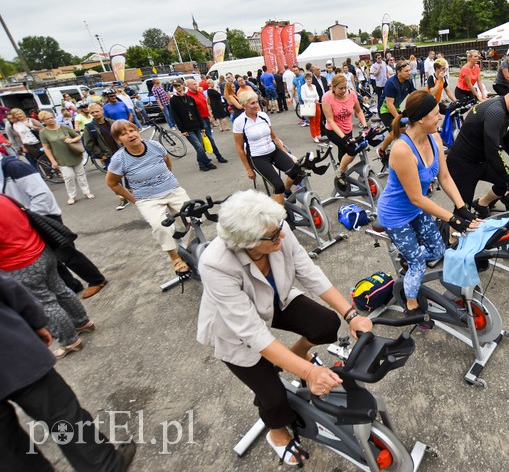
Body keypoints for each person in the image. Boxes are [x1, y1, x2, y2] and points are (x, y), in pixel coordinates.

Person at [196, 189, 372, 466]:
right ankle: (277, 434)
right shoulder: (215, 264)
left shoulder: (276, 228)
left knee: (325, 324)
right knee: (274, 396)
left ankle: (295, 355)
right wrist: (310, 373)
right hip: (235, 329)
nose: (282, 235)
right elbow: (253, 333)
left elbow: (309, 273)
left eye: (280, 228)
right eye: (274, 236)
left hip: (273, 298)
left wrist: (352, 315)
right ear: (246, 242)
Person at [0, 271, 136, 471]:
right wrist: (36, 321)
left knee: (6, 448)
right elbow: (10, 288)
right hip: (13, 354)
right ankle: (104, 466)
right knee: (62, 415)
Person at [377, 91, 478, 314]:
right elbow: (417, 197)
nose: (440, 116)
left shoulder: (434, 137)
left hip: (416, 208)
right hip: (395, 215)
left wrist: (462, 209)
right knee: (418, 264)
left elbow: (445, 177)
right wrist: (453, 219)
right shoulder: (402, 149)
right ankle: (411, 305)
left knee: (437, 250)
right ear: (422, 118)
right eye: (436, 114)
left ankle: (408, 254)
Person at [0, 195, 95, 359]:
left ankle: (70, 341)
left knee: (46, 302)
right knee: (60, 290)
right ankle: (82, 322)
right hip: (41, 250)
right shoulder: (3, 198)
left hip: (20, 263)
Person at [1, 154, 108, 299]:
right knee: (50, 258)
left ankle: (96, 280)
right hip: (27, 221)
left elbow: (41, 195)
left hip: (43, 217)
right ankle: (72, 286)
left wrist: (28, 221)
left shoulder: (14, 167)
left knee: (66, 253)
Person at [105, 120, 194, 274]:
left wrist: (166, 180)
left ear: (138, 130)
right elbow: (112, 183)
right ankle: (175, 258)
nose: (130, 135)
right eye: (124, 134)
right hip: (147, 199)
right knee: (161, 226)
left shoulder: (155, 146)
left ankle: (192, 250)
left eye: (131, 130)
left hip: (172, 190)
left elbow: (167, 163)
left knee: (192, 219)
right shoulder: (119, 159)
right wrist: (134, 200)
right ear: (119, 140)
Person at [446, 83, 509, 218]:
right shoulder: (496, 112)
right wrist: (508, 178)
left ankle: (481, 204)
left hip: (481, 160)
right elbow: (493, 152)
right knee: (463, 211)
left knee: (507, 183)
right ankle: (452, 238)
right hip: (463, 164)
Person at [232, 91, 297, 206]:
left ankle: (286, 192)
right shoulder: (239, 122)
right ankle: (279, 217)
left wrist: (287, 154)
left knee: (296, 173)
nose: (256, 105)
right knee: (278, 185)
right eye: (252, 103)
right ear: (244, 106)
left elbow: (275, 137)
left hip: (273, 151)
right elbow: (240, 148)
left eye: (257, 102)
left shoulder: (263, 116)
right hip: (257, 157)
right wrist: (248, 169)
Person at [37, 111, 94, 205]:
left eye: (52, 117)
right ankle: (72, 196)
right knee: (69, 177)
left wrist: (71, 140)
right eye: (48, 118)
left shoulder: (64, 127)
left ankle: (86, 192)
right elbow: (46, 148)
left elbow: (78, 137)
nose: (51, 119)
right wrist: (52, 161)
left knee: (81, 175)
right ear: (43, 121)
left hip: (74, 154)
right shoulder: (43, 132)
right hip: (60, 157)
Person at [322, 74, 368, 186]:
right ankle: (340, 173)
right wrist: (344, 137)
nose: (343, 91)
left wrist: (365, 126)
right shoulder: (327, 97)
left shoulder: (351, 94)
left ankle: (343, 179)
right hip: (333, 130)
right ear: (333, 87)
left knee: (343, 154)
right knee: (352, 150)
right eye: (340, 88)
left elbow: (359, 111)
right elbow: (330, 120)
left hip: (347, 129)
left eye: (345, 87)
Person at [169, 81, 216, 171]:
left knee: (201, 147)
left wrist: (202, 127)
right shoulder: (173, 100)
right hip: (187, 128)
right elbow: (175, 116)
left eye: (179, 85)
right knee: (198, 146)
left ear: (183, 85)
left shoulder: (189, 98)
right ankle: (207, 162)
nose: (178, 88)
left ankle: (201, 164)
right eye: (176, 86)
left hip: (197, 126)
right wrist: (182, 130)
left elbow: (197, 113)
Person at [376, 60, 415, 165]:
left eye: (409, 70)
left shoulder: (409, 81)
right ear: (398, 71)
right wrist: (398, 118)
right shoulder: (391, 83)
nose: (409, 73)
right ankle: (381, 150)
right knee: (395, 132)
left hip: (395, 107)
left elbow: (415, 95)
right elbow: (389, 104)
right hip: (385, 110)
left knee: (403, 132)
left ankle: (401, 154)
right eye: (406, 71)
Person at [185, 79, 228, 165]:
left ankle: (204, 159)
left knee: (207, 140)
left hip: (206, 118)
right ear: (188, 86)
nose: (196, 85)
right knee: (207, 140)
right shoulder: (188, 97)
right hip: (199, 121)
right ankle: (217, 156)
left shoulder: (200, 93)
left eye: (196, 84)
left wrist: (210, 115)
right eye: (193, 84)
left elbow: (206, 104)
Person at [300, 72, 322, 141]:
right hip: (309, 105)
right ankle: (314, 136)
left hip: (316, 104)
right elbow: (303, 98)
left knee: (318, 120)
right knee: (312, 121)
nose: (309, 80)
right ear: (305, 80)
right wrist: (313, 99)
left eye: (310, 79)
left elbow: (317, 95)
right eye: (307, 79)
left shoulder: (314, 86)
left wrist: (317, 99)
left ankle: (318, 134)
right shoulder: (303, 87)